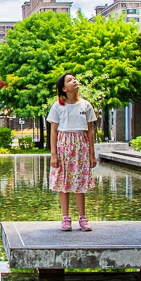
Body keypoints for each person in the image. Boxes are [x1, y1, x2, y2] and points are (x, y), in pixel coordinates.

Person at [48, 73, 97, 231]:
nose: (74, 81)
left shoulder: (85, 105)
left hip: (80, 146)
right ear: (64, 88)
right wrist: (54, 154)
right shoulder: (57, 106)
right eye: (70, 80)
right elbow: (53, 131)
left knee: (79, 182)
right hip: (64, 146)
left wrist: (92, 154)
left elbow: (90, 131)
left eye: (74, 79)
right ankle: (65, 218)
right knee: (64, 182)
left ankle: (82, 218)